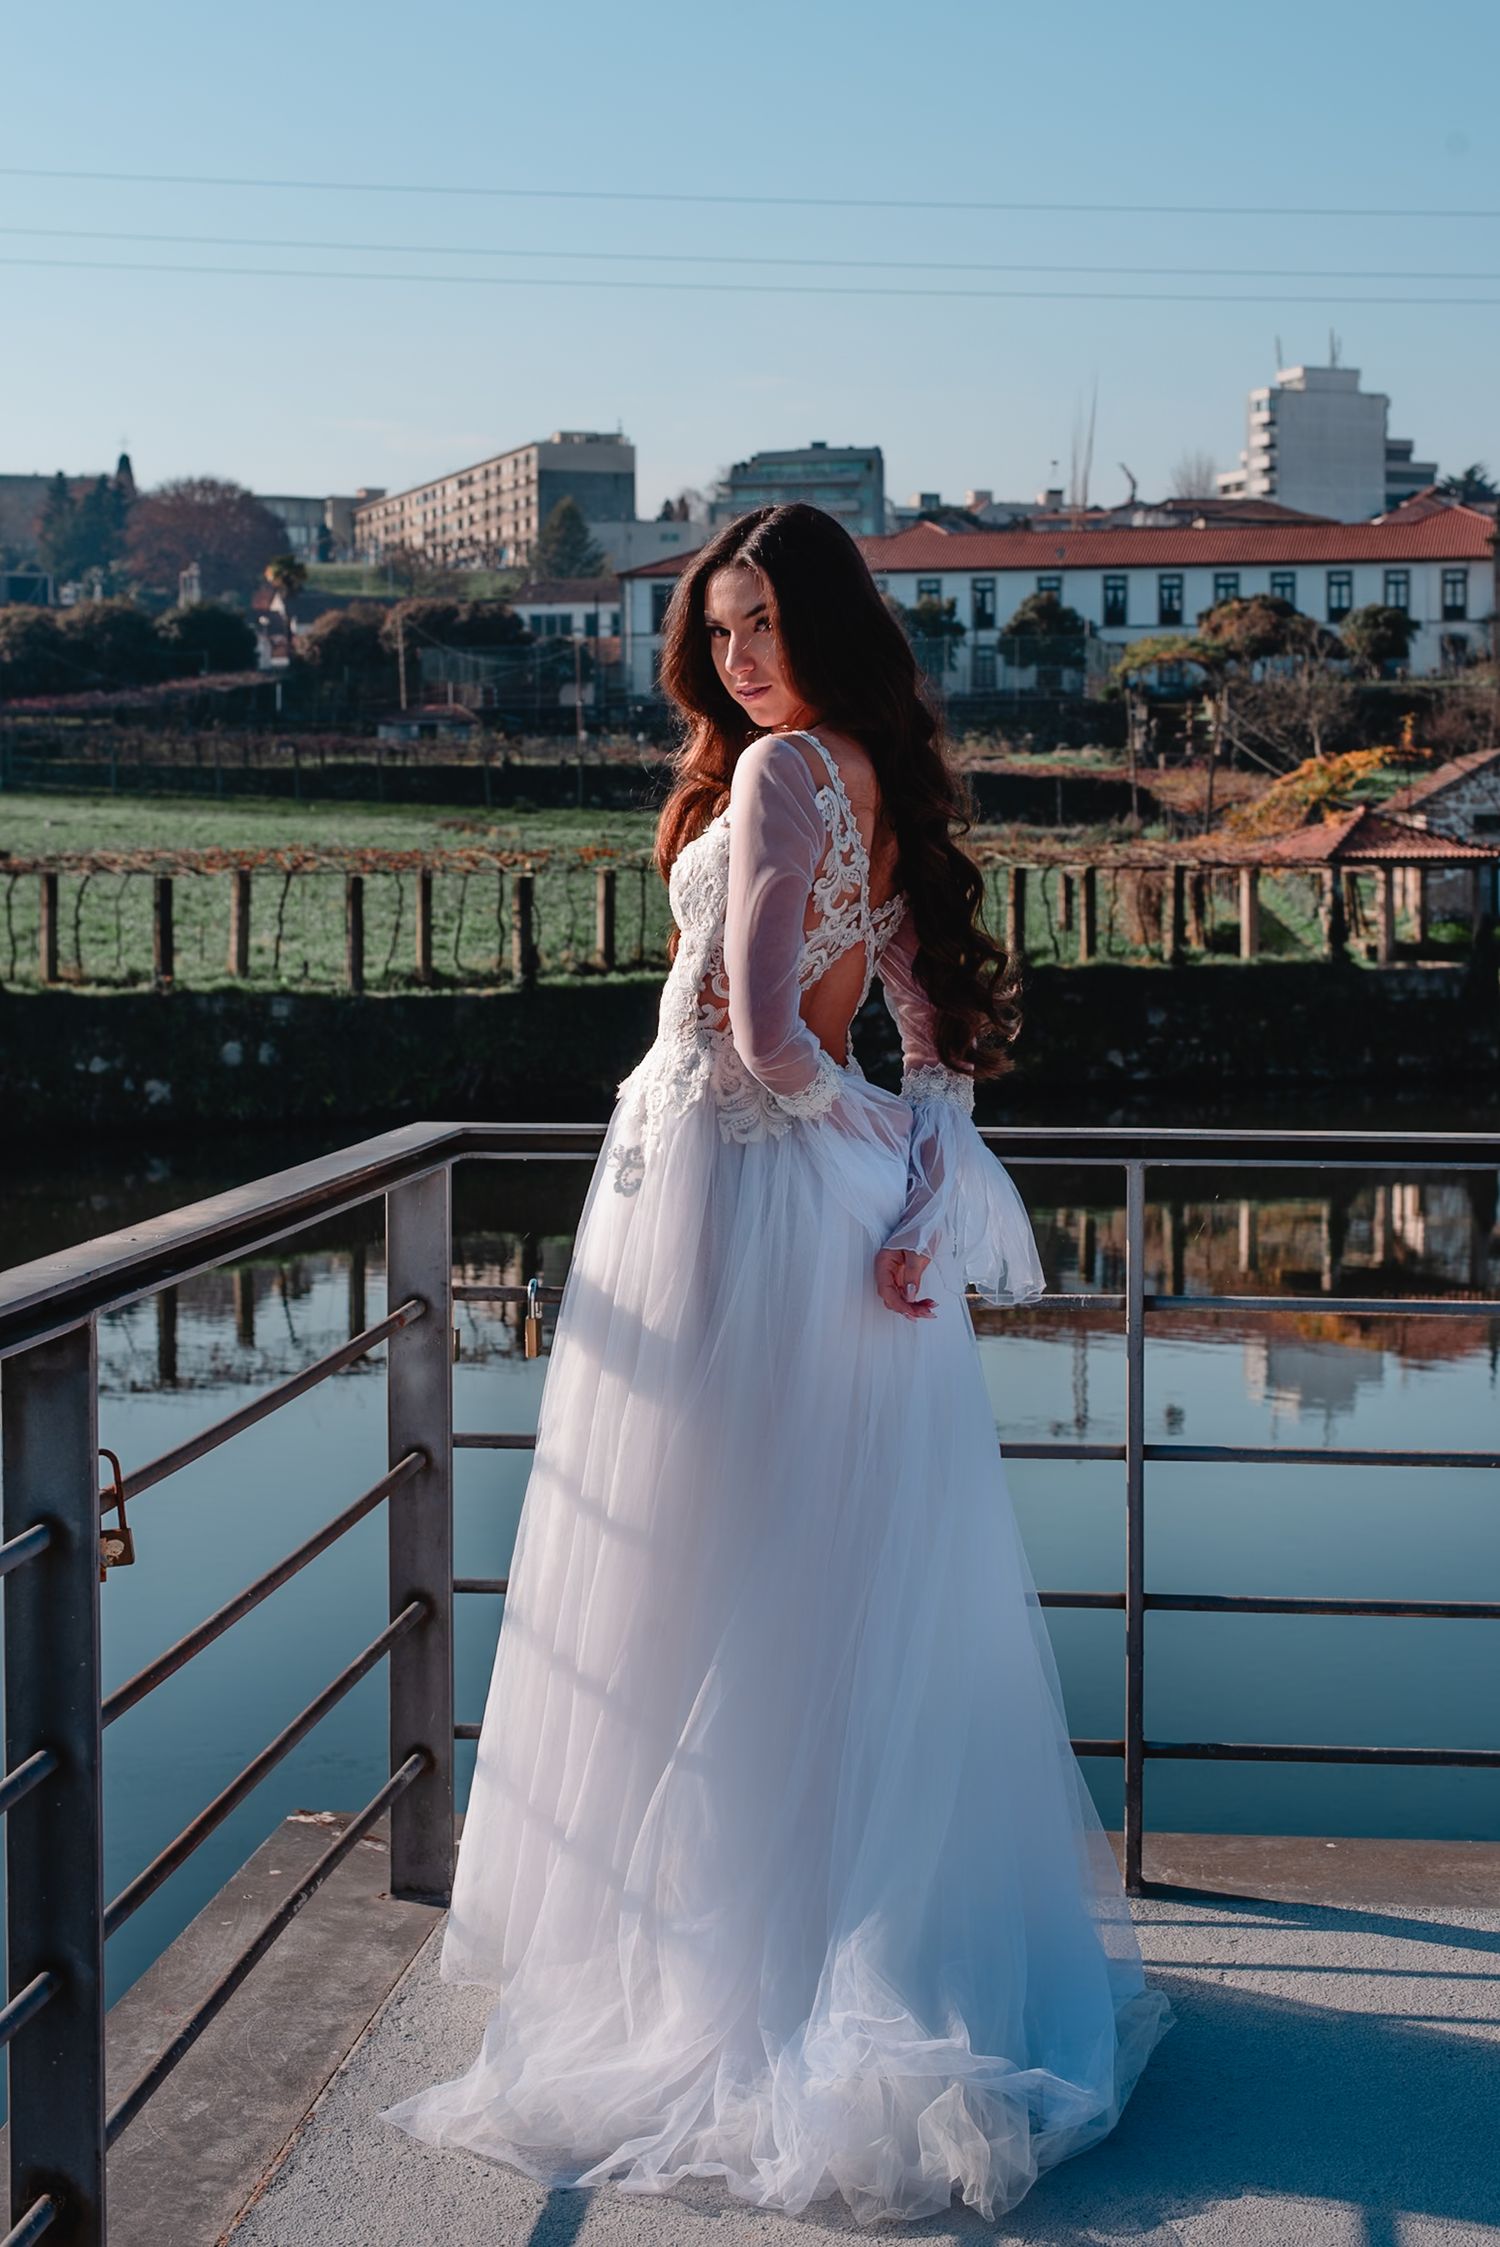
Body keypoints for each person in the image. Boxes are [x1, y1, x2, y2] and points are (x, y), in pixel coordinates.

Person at [381, 502, 1173, 2224]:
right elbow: (935, 1021)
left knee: (698, 1571)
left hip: (728, 1190)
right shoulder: (864, 777)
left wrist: (845, 1129)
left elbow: (750, 1027)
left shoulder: (780, 777)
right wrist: (913, 1161)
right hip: (809, 1202)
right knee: (809, 1577)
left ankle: (734, 1976)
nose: (737, 658)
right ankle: (821, 1943)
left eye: (761, 624)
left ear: (820, 624)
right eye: (718, 631)